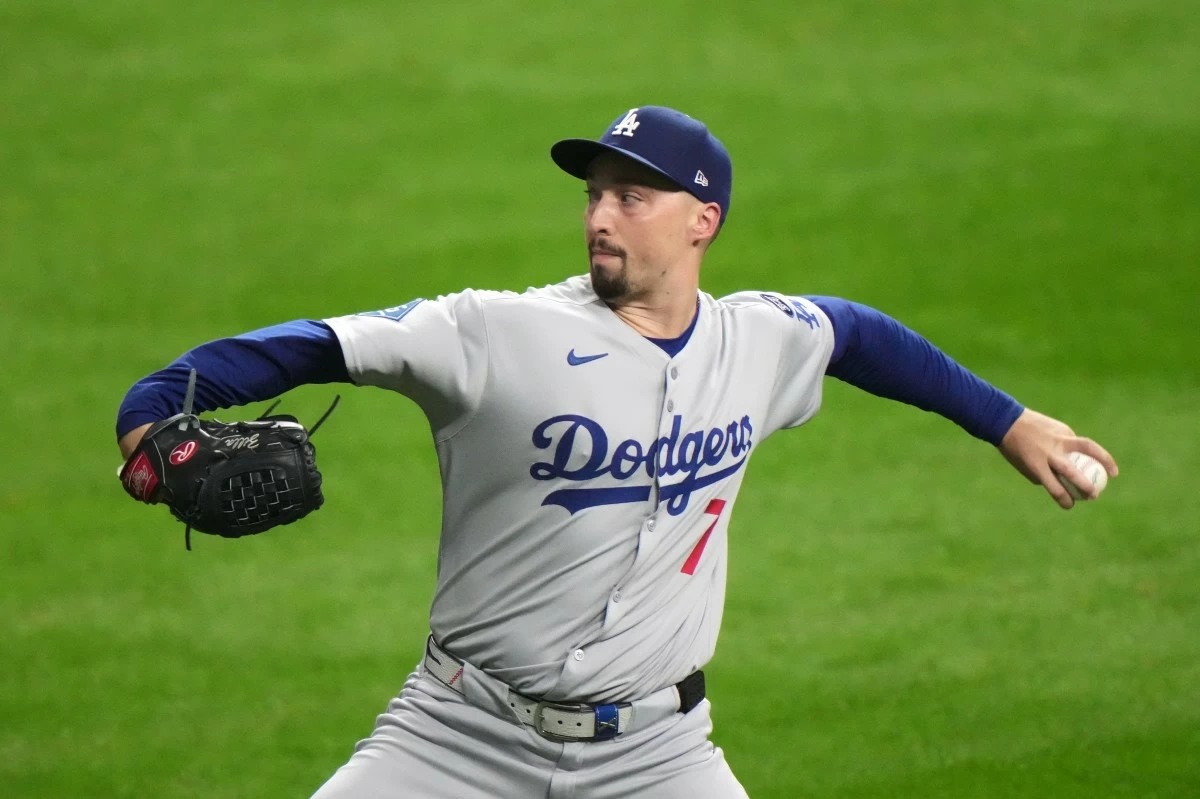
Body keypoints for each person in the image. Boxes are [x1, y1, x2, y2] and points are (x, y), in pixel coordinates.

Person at [116, 106, 1118, 798]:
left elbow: (856, 333)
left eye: (633, 197)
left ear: (703, 221)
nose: (601, 213)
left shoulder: (757, 343)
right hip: (458, 735)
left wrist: (1010, 422)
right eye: (596, 192)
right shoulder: (491, 332)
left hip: (659, 753)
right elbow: (298, 347)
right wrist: (150, 421)